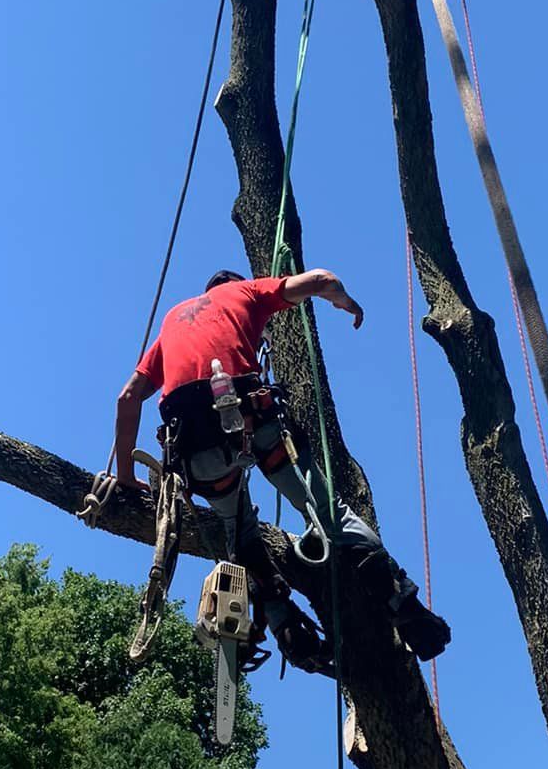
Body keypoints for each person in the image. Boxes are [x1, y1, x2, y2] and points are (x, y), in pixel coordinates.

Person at [113, 268, 450, 663]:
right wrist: (345, 301)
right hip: (254, 421)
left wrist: (123, 474)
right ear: (233, 286)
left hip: (196, 451)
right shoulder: (247, 293)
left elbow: (128, 396)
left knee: (239, 535)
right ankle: (406, 608)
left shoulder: (174, 318)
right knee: (329, 514)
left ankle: (284, 625)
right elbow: (322, 279)